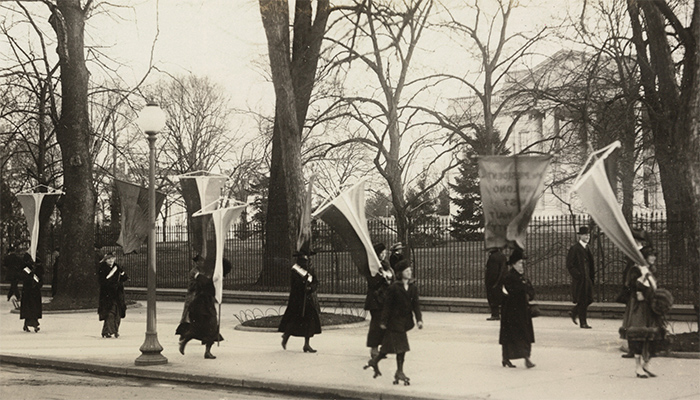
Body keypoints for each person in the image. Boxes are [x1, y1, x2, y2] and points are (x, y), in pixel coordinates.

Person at [364, 259, 423, 386]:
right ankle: (399, 371)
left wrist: (419, 319)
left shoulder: (412, 287)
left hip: (404, 321)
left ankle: (375, 362)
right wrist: (384, 321)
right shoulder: (394, 288)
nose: (409, 272)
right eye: (407, 271)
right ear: (401, 273)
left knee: (389, 347)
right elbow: (387, 306)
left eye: (410, 270)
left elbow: (416, 305)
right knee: (402, 347)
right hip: (394, 322)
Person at [619, 246, 668, 378]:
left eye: (654, 255)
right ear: (644, 257)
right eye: (650, 255)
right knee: (638, 335)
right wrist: (639, 288)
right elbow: (633, 289)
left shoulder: (652, 270)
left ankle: (646, 365)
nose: (653, 258)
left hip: (650, 307)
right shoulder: (636, 270)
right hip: (639, 308)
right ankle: (638, 367)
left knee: (653, 336)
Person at [177, 258, 231, 359]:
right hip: (200, 305)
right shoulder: (201, 274)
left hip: (208, 304)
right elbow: (202, 285)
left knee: (213, 328)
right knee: (198, 328)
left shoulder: (215, 275)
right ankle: (184, 341)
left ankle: (207, 351)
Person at [499, 247, 536, 369]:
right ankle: (525, 359)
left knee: (521, 335)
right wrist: (524, 288)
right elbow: (513, 293)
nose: (522, 266)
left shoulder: (522, 277)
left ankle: (508, 358)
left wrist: (527, 290)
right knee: (515, 336)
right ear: (513, 264)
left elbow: (531, 292)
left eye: (522, 263)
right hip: (512, 312)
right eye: (519, 263)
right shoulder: (509, 277)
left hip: (521, 311)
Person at [279, 250, 322, 353]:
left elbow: (315, 281)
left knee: (309, 320)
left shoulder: (310, 268)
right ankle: (286, 335)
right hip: (297, 298)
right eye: (304, 256)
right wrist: (304, 284)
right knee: (294, 319)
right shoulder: (296, 269)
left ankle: (306, 344)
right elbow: (295, 283)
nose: (307, 258)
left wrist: (311, 288)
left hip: (308, 298)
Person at [364, 243, 395, 359]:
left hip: (386, 299)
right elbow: (372, 283)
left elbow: (393, 279)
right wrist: (382, 278)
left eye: (384, 253)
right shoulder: (372, 266)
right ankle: (374, 349)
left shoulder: (386, 265)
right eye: (381, 253)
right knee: (376, 325)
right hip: (375, 300)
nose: (383, 255)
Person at [566, 226, 595, 329]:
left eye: (588, 235)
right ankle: (583, 322)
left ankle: (574, 312)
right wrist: (577, 275)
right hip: (580, 280)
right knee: (583, 300)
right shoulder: (575, 248)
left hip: (588, 279)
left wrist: (591, 278)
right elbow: (570, 265)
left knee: (590, 299)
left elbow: (591, 265)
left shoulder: (588, 248)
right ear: (580, 236)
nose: (587, 237)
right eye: (585, 235)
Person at [97, 252, 129, 338]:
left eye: (112, 258)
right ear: (106, 260)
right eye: (108, 259)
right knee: (110, 313)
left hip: (118, 293)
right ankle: (110, 331)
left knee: (117, 313)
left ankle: (110, 331)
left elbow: (125, 278)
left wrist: (122, 274)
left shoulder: (117, 267)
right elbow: (102, 281)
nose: (111, 260)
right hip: (107, 294)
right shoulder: (102, 268)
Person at [178, 254, 204, 328]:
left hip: (198, 293)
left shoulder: (201, 271)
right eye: (200, 261)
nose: (202, 263)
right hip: (193, 293)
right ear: (197, 262)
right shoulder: (194, 271)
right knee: (189, 309)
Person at [485, 246, 510, 321]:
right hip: (502, 279)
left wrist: (489, 282)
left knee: (493, 298)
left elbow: (493, 272)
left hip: (494, 281)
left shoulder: (493, 257)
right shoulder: (502, 256)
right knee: (502, 297)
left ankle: (495, 314)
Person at [19, 255, 44, 332]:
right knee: (30, 308)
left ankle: (28, 324)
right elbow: (25, 276)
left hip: (34, 291)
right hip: (28, 291)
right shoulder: (26, 268)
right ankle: (34, 324)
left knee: (33, 308)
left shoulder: (38, 268)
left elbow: (39, 278)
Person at [4, 245, 26, 310]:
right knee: (14, 285)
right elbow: (22, 264)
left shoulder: (7, 257)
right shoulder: (17, 258)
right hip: (16, 273)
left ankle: (10, 296)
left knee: (13, 285)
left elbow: (5, 265)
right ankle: (17, 296)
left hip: (10, 273)